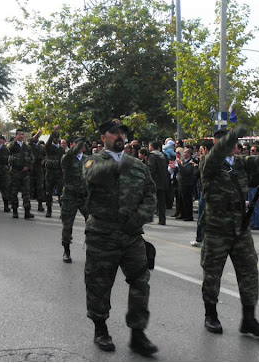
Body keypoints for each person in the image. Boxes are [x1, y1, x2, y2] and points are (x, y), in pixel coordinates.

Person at [199, 125, 259, 337]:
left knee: (249, 271)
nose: (234, 146)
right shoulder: (208, 164)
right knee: (212, 273)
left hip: (240, 226)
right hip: (217, 227)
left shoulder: (239, 163)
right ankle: (211, 315)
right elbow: (215, 156)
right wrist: (233, 134)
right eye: (229, 142)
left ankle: (249, 319)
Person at [82, 119, 158, 356]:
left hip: (131, 235)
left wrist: (140, 218)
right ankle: (100, 328)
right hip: (102, 235)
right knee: (99, 284)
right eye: (114, 133)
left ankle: (138, 334)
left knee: (140, 283)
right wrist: (117, 165)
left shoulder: (138, 165)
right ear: (103, 137)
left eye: (122, 133)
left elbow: (150, 194)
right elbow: (90, 177)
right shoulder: (93, 161)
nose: (119, 137)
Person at [60, 136, 89, 263]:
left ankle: (91, 249)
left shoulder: (87, 159)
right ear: (72, 145)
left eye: (82, 144)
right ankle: (66, 250)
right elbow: (71, 153)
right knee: (67, 225)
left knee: (92, 222)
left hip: (84, 197)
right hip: (69, 197)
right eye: (78, 144)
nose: (81, 146)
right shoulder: (67, 158)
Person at [8, 128, 34, 219]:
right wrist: (14, 141)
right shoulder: (12, 146)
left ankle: (27, 211)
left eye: (22, 134)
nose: (21, 136)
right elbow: (8, 151)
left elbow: (32, 159)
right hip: (15, 172)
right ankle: (15, 210)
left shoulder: (27, 147)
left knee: (26, 193)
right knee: (14, 192)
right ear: (16, 136)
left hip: (25, 173)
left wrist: (28, 166)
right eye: (19, 134)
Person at [190, 140, 213, 247]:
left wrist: (196, 166)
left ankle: (199, 238)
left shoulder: (205, 159)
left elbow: (197, 174)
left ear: (205, 149)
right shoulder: (217, 159)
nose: (200, 153)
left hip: (206, 192)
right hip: (212, 192)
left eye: (201, 150)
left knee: (202, 216)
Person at [44, 126, 65, 218]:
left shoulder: (61, 149)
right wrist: (54, 131)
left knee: (61, 193)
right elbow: (48, 142)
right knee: (49, 192)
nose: (56, 139)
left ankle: (62, 211)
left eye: (57, 138)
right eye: (55, 138)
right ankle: (49, 210)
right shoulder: (49, 147)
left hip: (59, 173)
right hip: (50, 173)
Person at [147, 141, 168, 225]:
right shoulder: (163, 156)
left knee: (150, 200)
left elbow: (151, 169)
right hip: (163, 181)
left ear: (151, 147)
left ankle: (149, 217)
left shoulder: (152, 156)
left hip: (154, 182)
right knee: (161, 201)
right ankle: (162, 219)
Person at [175, 147, 196, 221]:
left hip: (187, 184)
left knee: (187, 200)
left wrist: (180, 165)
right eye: (183, 152)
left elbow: (186, 172)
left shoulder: (191, 163)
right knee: (181, 199)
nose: (183, 154)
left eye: (185, 152)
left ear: (189, 154)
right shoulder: (184, 161)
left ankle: (188, 215)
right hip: (181, 183)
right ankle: (182, 213)